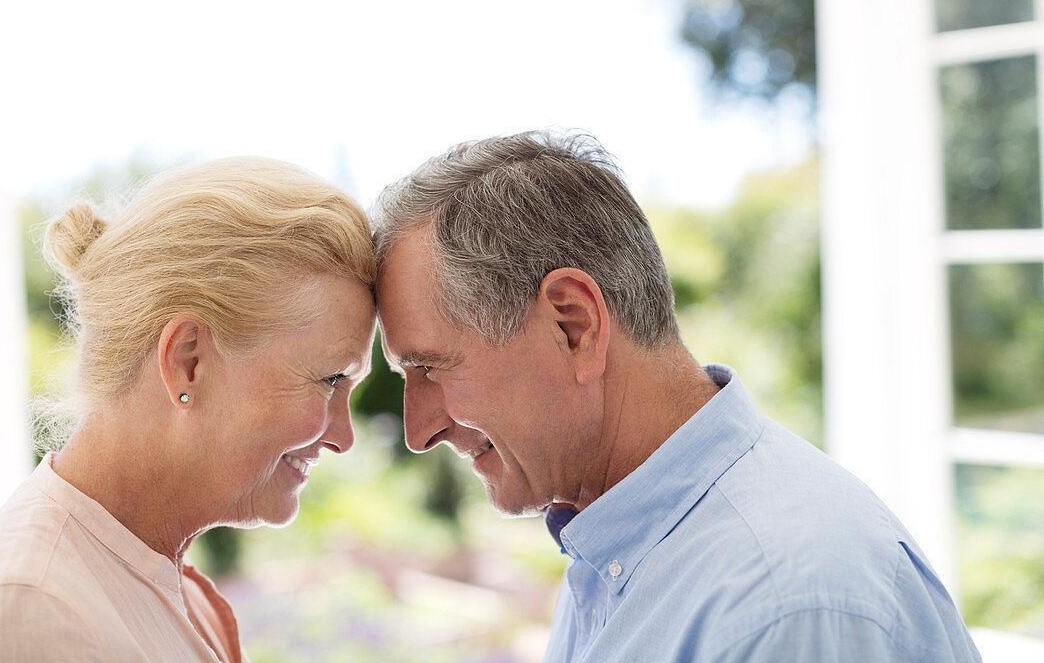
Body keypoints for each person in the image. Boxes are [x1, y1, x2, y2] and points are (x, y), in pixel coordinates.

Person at [371, 130, 981, 663]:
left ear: (573, 326)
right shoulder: (615, 545)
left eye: (429, 367)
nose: (418, 431)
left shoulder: (784, 607)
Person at [0, 157, 376, 662]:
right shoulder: (30, 611)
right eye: (329, 379)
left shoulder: (155, 586)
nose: (343, 437)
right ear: (187, 360)